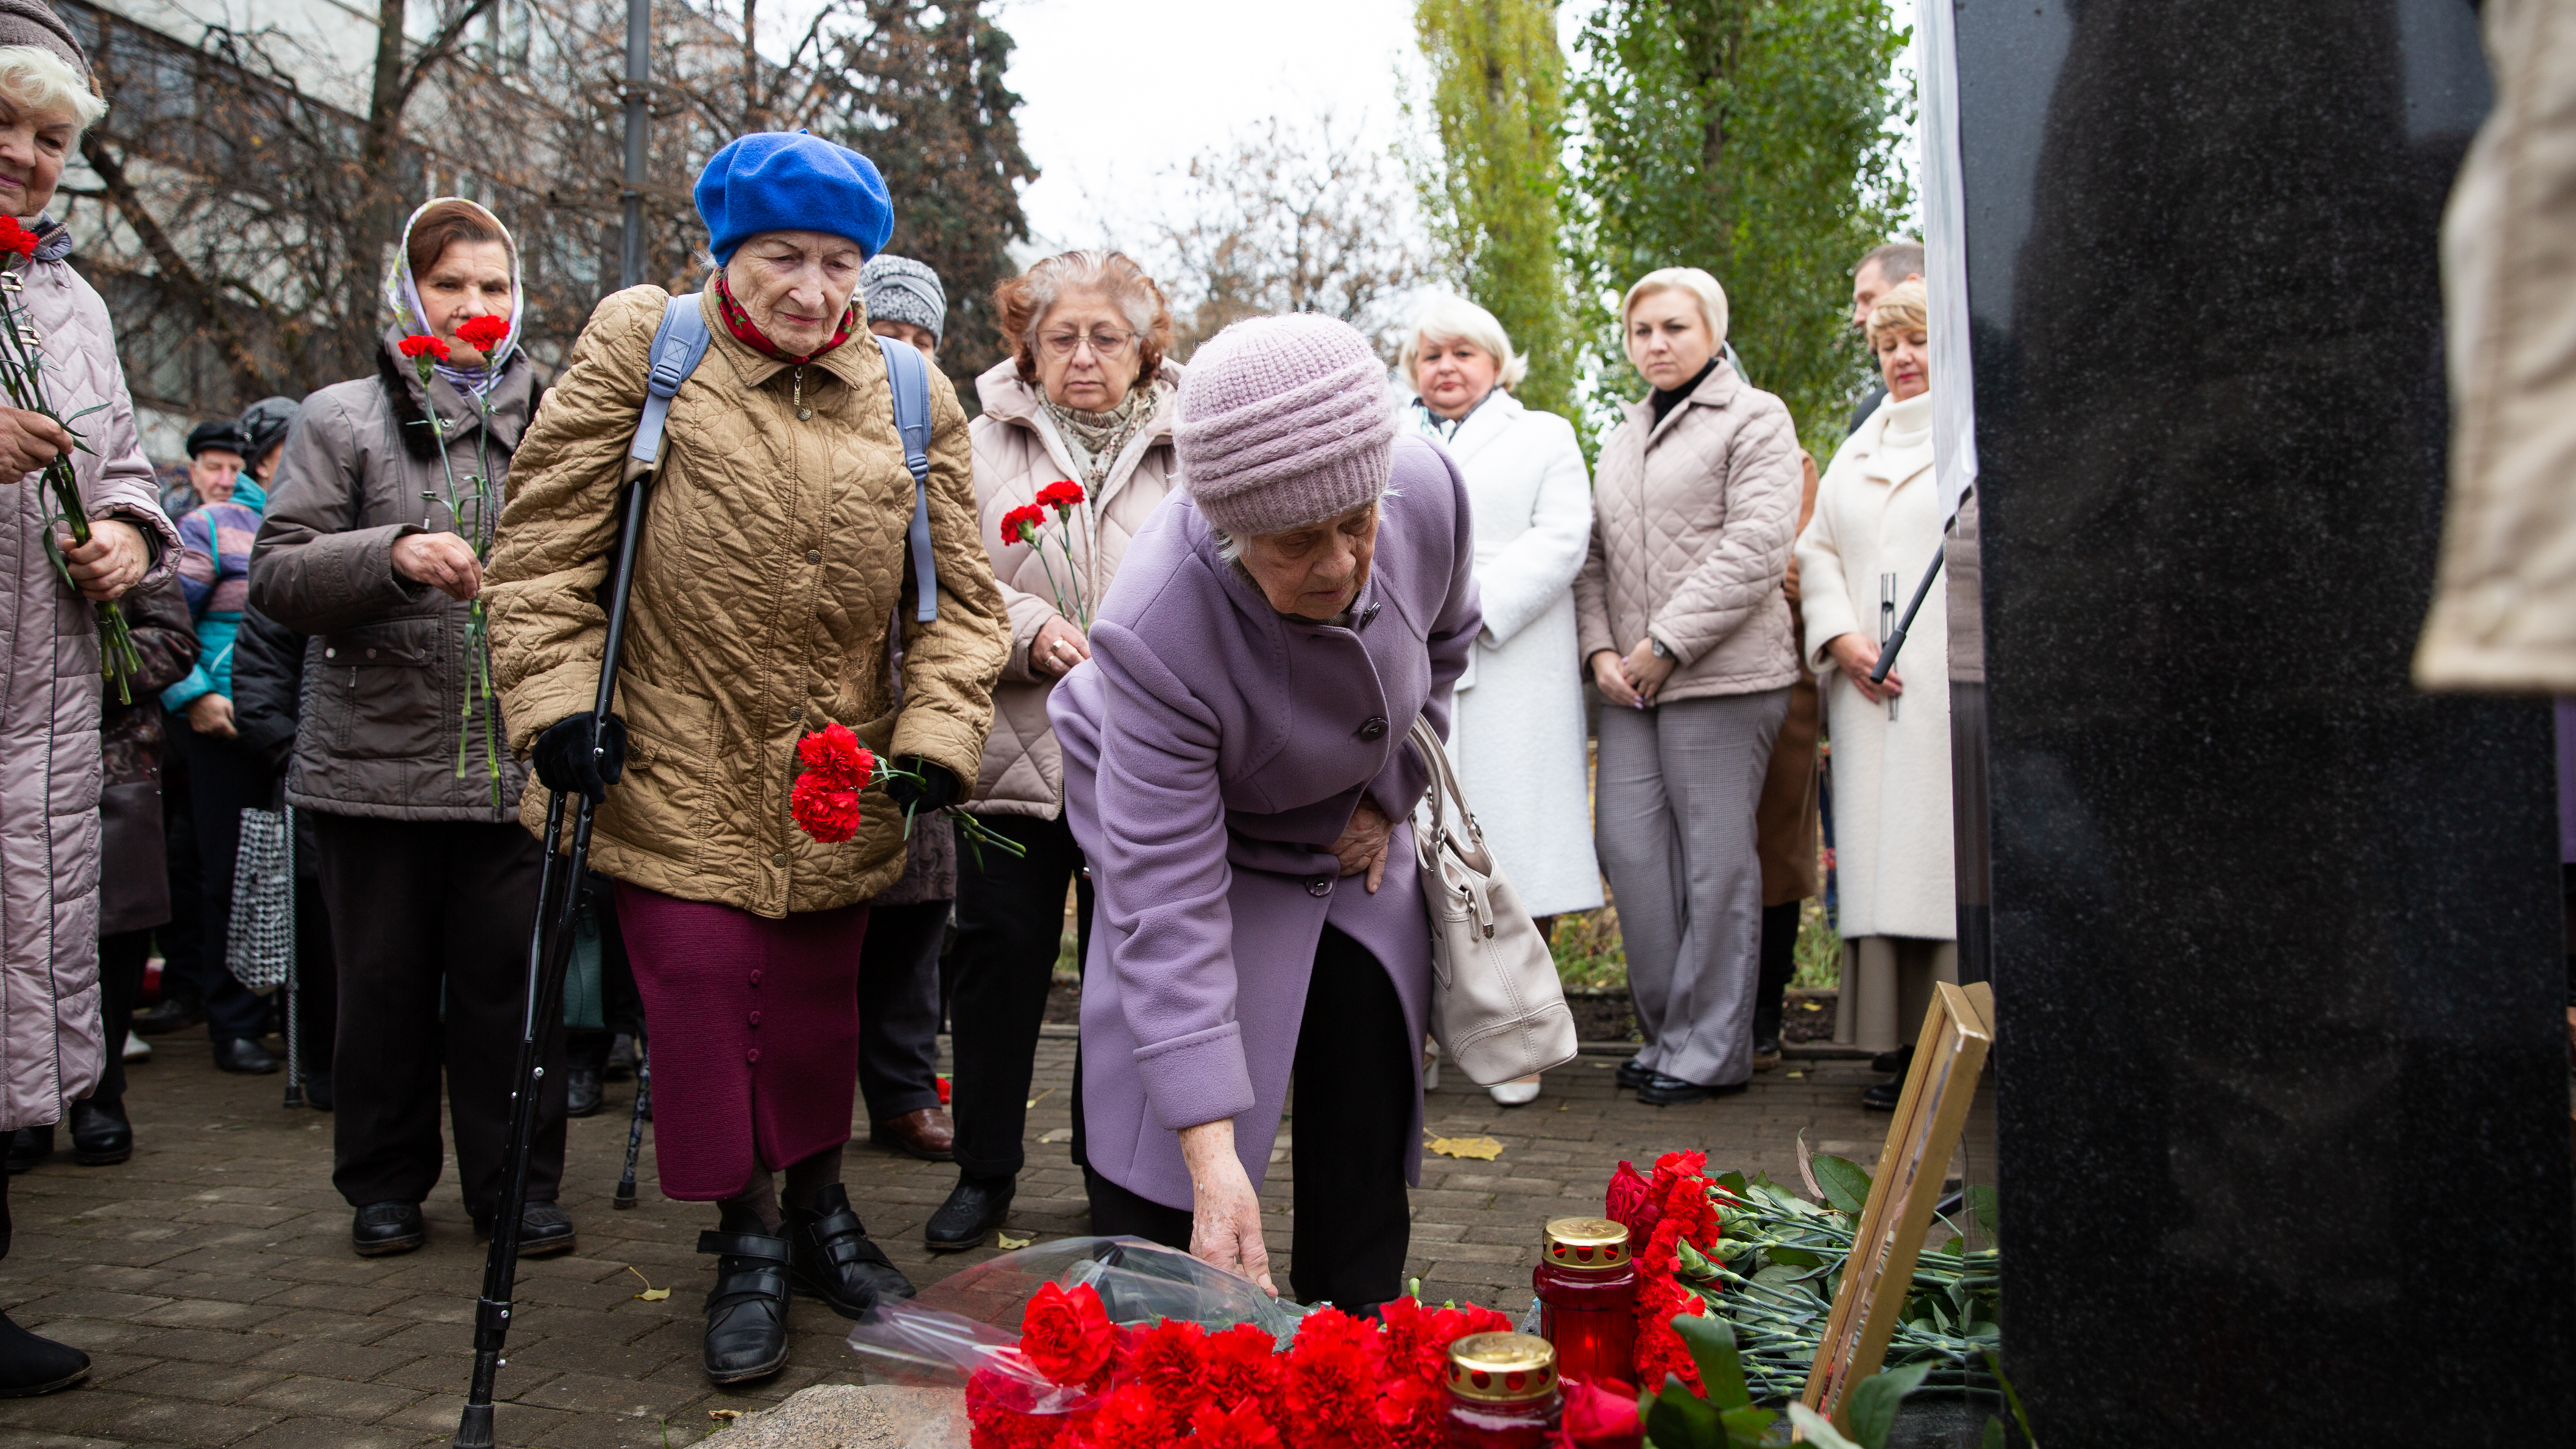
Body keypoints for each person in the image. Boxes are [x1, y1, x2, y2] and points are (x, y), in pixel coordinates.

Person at [485, 132, 1008, 1385]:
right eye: (783, 257)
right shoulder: (649, 344)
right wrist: (557, 710)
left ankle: (822, 1212)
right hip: (670, 755)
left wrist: (936, 741)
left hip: (836, 768)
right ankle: (750, 1236)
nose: (814, 291)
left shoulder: (910, 391)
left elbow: (963, 604)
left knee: (819, 1012)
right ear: (726, 252)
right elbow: (543, 551)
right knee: (709, 1000)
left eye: (840, 263)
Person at [1051, 312, 1477, 1308]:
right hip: (1200, 841)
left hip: (1347, 841)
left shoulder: (1427, 489)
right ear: (1229, 532)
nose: (1340, 565)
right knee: (1174, 1176)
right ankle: (1161, 1304)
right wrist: (1213, 1157)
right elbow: (1166, 903)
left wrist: (1385, 799)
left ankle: (1357, 1339)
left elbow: (1447, 646)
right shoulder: (1157, 625)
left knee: (1362, 1106)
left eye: (1357, 523)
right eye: (1295, 543)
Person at [250, 197, 573, 1260]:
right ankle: (384, 1183)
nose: (474, 306)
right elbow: (280, 573)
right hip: (373, 764)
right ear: (407, 294)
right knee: (381, 990)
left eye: (493, 286)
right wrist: (390, 554)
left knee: (509, 992)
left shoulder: (563, 419)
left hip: (513, 762)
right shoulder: (341, 418)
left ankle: (515, 1185)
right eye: (449, 284)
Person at [931, 250, 1183, 1251]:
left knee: (1127, 974)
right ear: (1027, 350)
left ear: (1144, 348)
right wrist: (1029, 628)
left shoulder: (1191, 445)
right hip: (1016, 751)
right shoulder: (977, 442)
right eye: (1060, 338)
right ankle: (983, 1168)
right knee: (998, 965)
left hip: (1146, 758)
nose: (1083, 356)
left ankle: (1110, 1169)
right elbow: (945, 575)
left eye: (1105, 337)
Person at [0, 19, 182, 1397]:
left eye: (52, 138)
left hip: (39, 713)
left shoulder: (72, 303)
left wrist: (124, 531)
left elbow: (124, 462)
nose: (27, 156)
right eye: (6, 126)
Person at [1575, 266, 1803, 1107]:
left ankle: (1710, 1051)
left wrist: (1665, 643)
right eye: (1641, 331)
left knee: (1715, 866)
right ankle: (1666, 1035)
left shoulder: (1756, 416)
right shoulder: (1621, 433)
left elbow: (1757, 544)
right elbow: (1592, 559)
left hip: (1724, 676)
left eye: (1674, 327)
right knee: (1630, 851)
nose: (1656, 344)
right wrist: (1602, 651)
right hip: (1629, 686)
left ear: (1713, 329)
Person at [1399, 293, 1599, 1108]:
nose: (1445, 367)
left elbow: (1563, 536)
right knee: (1410, 860)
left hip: (1512, 665)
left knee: (1515, 855)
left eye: (1463, 353)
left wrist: (1466, 601)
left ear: (1496, 362)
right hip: (1408, 655)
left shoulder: (1544, 433)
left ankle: (1517, 1039)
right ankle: (1416, 1042)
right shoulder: (1386, 433)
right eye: (1430, 355)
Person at [1794, 280, 1956, 1110]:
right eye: (1887, 345)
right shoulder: (1858, 449)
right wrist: (1840, 638)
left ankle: (1954, 1046)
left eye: (1916, 340)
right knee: (1881, 862)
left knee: (1941, 862)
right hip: (1867, 689)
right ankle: (1894, 1042)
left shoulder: (1969, 440)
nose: (1900, 358)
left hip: (1945, 691)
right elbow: (1817, 550)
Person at [5, 574, 194, 1173]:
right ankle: (26, 1103)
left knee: (115, 922)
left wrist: (71, 667)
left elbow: (173, 641)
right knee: (19, 930)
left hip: (111, 752)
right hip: (15, 755)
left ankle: (101, 1088)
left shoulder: (122, 531)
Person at [849, 253, 960, 1165]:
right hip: (832, 702)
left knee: (916, 916)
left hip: (918, 697)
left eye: (922, 338)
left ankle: (902, 1090)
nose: (905, 353)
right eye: (888, 333)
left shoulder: (942, 436)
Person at [163, 416, 287, 1075]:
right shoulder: (208, 527)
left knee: (299, 875)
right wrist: (194, 697)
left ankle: (298, 1015)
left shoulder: (319, 524)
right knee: (232, 874)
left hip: (297, 728)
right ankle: (235, 1021)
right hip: (228, 727)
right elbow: (163, 620)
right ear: (261, 462)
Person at [1748, 451, 1825, 1071]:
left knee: (1776, 850)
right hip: (1684, 677)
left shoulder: (1790, 462)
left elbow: (1802, 565)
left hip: (1781, 676)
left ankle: (1764, 1011)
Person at [1845, 241, 1924, 436]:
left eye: (1868, 298)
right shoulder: (1868, 419)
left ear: (1912, 286)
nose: (1858, 318)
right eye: (1889, 348)